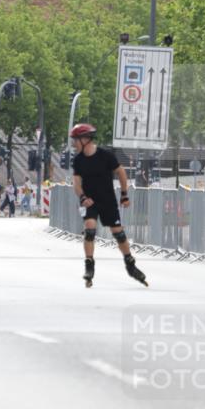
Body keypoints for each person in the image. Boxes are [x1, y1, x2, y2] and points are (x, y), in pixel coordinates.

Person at [70, 123, 147, 288]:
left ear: (86, 139)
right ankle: (89, 265)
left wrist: (124, 194)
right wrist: (83, 197)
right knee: (90, 229)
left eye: (76, 140)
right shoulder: (78, 160)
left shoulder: (105, 155)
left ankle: (130, 264)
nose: (74, 144)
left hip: (108, 201)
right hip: (89, 201)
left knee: (118, 234)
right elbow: (76, 183)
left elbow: (121, 172)